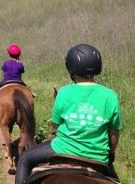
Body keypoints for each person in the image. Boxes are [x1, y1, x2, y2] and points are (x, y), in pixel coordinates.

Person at [15, 43, 122, 184]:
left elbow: (55, 127)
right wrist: (110, 153)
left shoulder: (64, 92)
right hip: (98, 156)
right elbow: (114, 134)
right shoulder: (110, 95)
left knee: (25, 159)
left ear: (72, 68)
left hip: (62, 148)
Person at [0, 43, 25, 109]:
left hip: (6, 80)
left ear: (9, 54)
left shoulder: (6, 62)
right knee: (27, 90)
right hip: (19, 81)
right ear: (19, 54)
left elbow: (3, 74)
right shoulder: (20, 64)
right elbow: (21, 73)